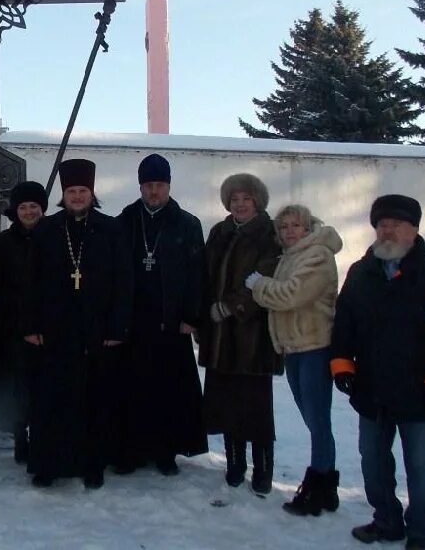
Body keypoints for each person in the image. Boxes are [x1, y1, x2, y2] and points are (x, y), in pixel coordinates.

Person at [331, 195, 425, 550]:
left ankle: (419, 533)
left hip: (420, 392)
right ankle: (386, 520)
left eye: (395, 224)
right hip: (371, 388)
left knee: (421, 469)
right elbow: (344, 323)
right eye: (381, 224)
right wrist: (342, 364)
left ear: (414, 230)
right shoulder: (361, 274)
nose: (387, 231)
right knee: (373, 463)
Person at [23, 158, 131, 489]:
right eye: (72, 191)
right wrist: (30, 325)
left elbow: (124, 283)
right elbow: (30, 282)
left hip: (96, 331)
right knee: (51, 400)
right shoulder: (46, 229)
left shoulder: (111, 229)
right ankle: (47, 465)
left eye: (83, 190)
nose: (77, 196)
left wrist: (117, 327)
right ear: (63, 194)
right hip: (54, 331)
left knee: (94, 400)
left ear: (92, 192)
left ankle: (92, 465)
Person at [113, 154, 206, 476]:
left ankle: (166, 451)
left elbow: (198, 275)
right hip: (134, 320)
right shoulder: (125, 220)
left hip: (171, 320)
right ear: (141, 187)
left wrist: (192, 316)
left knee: (168, 391)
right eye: (148, 185)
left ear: (169, 186)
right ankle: (133, 450)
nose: (154, 192)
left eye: (160, 185)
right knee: (132, 388)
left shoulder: (187, 224)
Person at [248, 204, 343, 515]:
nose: (289, 231)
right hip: (295, 347)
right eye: (284, 226)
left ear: (308, 227)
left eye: (295, 225)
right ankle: (325, 486)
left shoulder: (318, 256)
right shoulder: (292, 257)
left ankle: (319, 486)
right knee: (312, 419)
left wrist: (258, 285)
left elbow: (290, 295)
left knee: (318, 420)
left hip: (314, 346)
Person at [199, 172, 281, 495]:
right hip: (220, 336)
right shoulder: (220, 231)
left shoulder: (268, 234)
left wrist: (232, 306)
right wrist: (205, 311)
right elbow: (205, 273)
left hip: (252, 335)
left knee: (256, 407)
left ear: (257, 201)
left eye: (246, 198)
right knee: (228, 404)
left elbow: (267, 275)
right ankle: (235, 463)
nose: (240, 204)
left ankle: (263, 469)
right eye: (234, 199)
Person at [0, 180, 48, 464]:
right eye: (23, 207)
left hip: (49, 327)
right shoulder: (5, 241)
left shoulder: (54, 234)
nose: (28, 212)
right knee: (19, 388)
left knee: (45, 387)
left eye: (33, 206)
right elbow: (0, 285)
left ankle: (43, 437)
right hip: (16, 326)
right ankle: (20, 438)